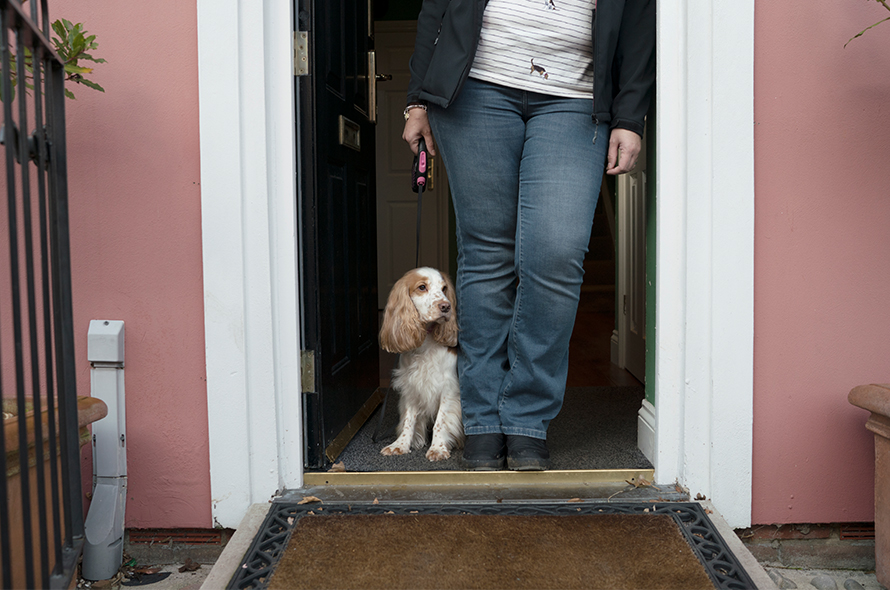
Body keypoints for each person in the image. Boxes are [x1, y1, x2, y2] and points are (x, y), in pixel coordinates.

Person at [401, 0, 655, 471]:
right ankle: (482, 422)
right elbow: (436, 9)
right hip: (473, 90)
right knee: (486, 255)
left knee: (556, 255)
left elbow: (639, 22)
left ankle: (526, 419)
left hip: (577, 98)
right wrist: (418, 99)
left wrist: (629, 116)